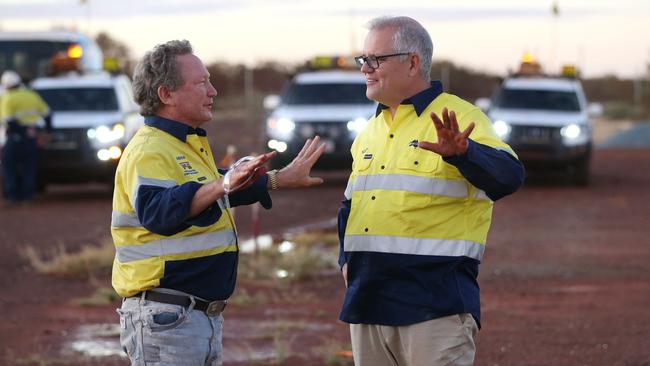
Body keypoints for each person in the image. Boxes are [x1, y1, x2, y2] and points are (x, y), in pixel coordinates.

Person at [111, 40, 325, 366]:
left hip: (195, 318)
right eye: (201, 83)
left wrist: (280, 178)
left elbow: (221, 186)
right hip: (167, 319)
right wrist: (222, 184)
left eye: (210, 80)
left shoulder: (184, 143)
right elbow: (159, 212)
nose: (212, 91)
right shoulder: (150, 149)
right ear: (165, 94)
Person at [337, 16, 525, 365]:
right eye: (362, 60)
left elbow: (510, 176)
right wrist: (345, 261)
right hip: (368, 305)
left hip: (433, 309)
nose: (365, 68)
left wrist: (466, 153)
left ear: (413, 62)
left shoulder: (457, 116)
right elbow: (351, 205)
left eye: (375, 59)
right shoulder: (371, 130)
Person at [0, 70, 51, 205]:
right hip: (31, 139)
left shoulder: (7, 98)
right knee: (29, 167)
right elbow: (47, 114)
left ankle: (12, 196)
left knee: (9, 167)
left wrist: (22, 131)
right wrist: (47, 130)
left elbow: (9, 122)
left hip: (14, 139)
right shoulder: (31, 95)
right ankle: (28, 196)